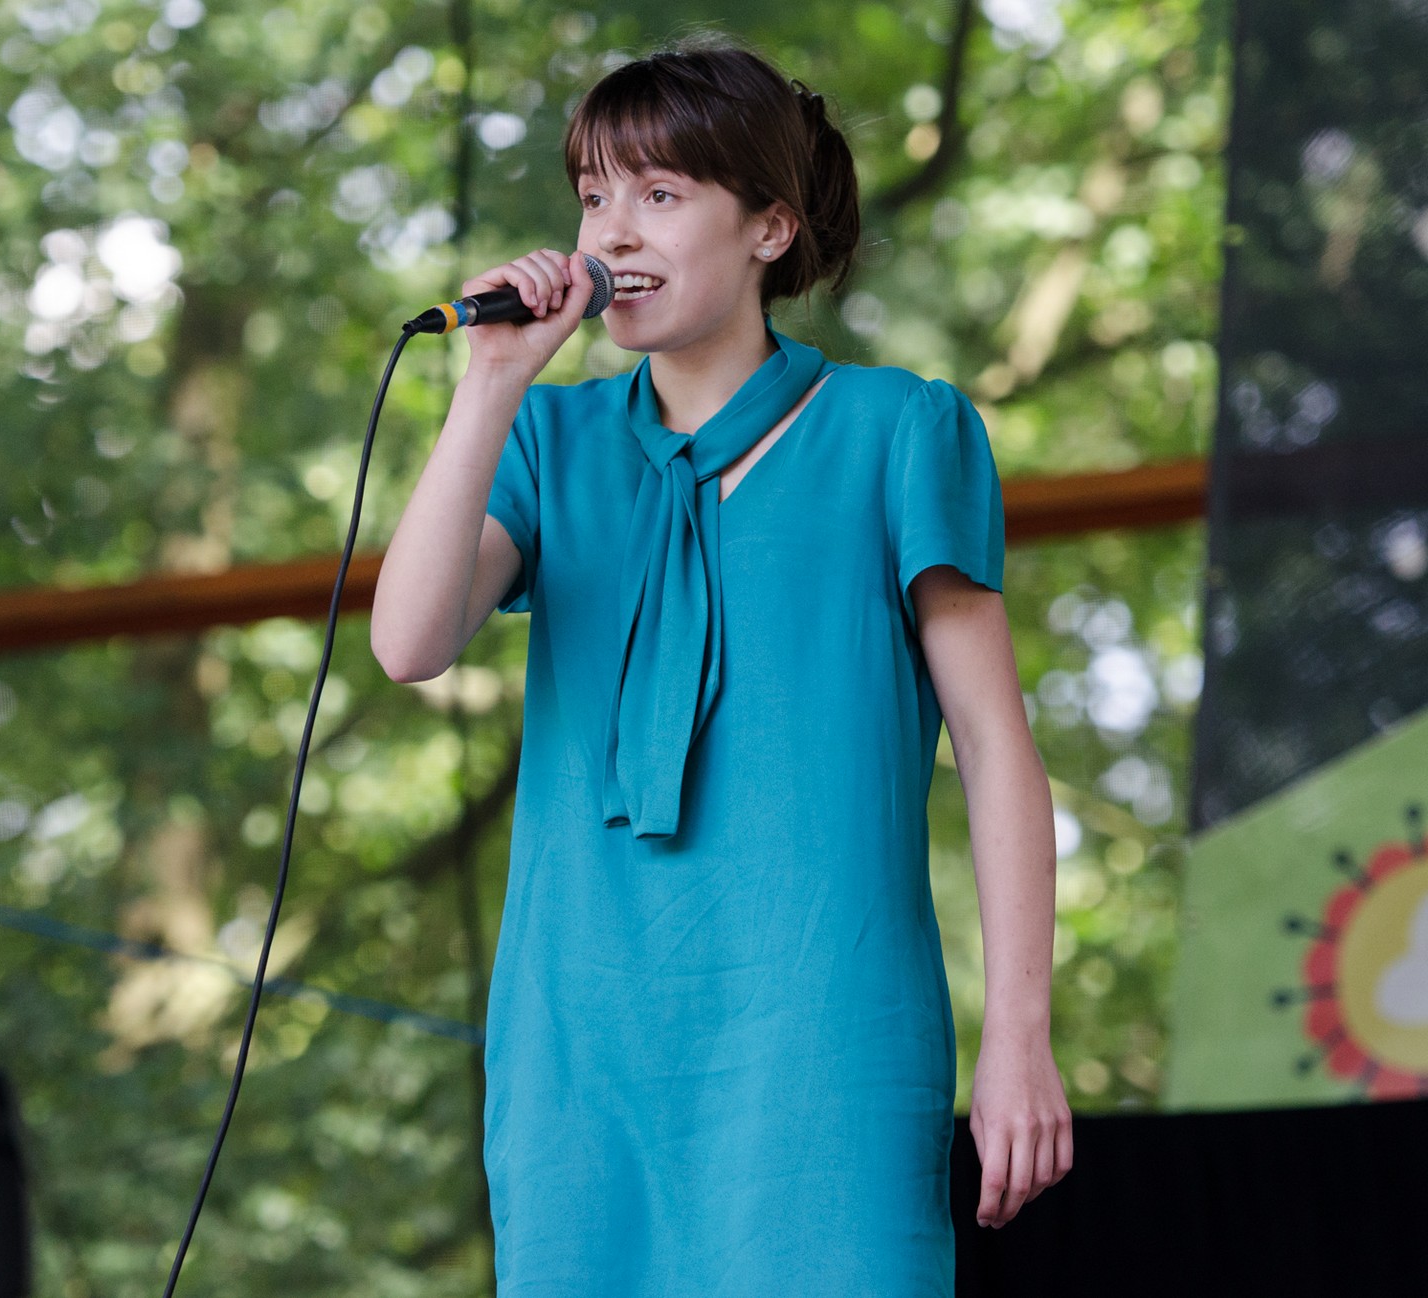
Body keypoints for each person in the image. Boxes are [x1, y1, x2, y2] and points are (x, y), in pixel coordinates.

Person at [369, 30, 1070, 1297]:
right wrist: (489, 384)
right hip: (578, 1051)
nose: (611, 230)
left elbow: (995, 748)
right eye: (592, 194)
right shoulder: (545, 439)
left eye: (658, 192)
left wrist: (1020, 1032)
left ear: (768, 228)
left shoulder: (897, 429)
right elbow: (407, 643)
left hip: (827, 1043)